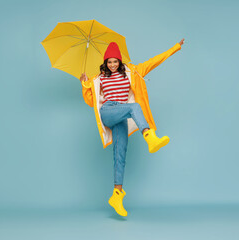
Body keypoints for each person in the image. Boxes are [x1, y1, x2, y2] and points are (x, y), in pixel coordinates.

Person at [79, 38, 185, 217]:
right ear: (105, 62)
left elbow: (154, 61)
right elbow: (91, 102)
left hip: (121, 114)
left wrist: (175, 48)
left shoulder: (132, 71)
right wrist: (84, 84)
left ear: (120, 61)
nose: (112, 65)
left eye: (115, 61)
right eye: (109, 62)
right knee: (135, 107)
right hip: (108, 112)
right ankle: (150, 136)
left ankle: (116, 195)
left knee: (120, 155)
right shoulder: (99, 78)